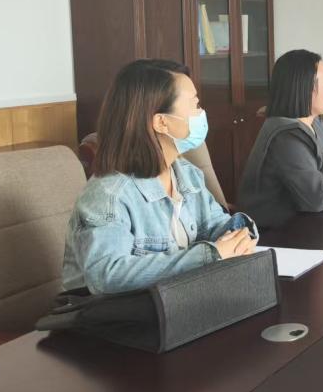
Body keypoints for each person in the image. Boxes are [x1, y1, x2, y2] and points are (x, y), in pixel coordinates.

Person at [62, 59, 258, 295]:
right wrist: (209, 255)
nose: (202, 113)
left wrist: (238, 236)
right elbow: (108, 275)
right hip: (113, 314)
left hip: (175, 302)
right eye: (195, 105)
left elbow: (215, 225)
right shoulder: (108, 195)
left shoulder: (186, 174)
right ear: (162, 122)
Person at [239, 49, 323, 229]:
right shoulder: (286, 136)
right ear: (303, 87)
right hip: (276, 234)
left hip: (308, 224)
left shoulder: (316, 123)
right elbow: (317, 197)